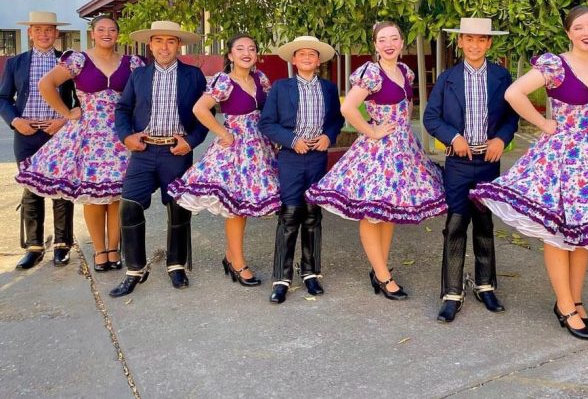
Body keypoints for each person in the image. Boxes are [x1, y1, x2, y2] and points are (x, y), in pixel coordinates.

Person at [470, 6, 588, 340]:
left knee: (584, 234)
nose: (586, 31)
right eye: (578, 27)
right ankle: (564, 305)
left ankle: (574, 299)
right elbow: (514, 93)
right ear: (569, 33)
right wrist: (544, 124)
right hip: (559, 158)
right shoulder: (555, 64)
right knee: (557, 234)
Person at [306, 22, 445, 300]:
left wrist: (403, 130)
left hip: (403, 149)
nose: (389, 43)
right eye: (383, 39)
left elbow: (407, 108)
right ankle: (383, 275)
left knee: (388, 209)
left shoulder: (405, 71)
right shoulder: (371, 73)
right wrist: (372, 130)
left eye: (394, 38)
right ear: (375, 45)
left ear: (402, 42)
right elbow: (348, 107)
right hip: (378, 151)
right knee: (372, 213)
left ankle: (378, 267)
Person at [15, 16, 144, 272]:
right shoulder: (78, 60)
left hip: (119, 133)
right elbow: (46, 84)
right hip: (89, 134)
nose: (107, 33)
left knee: (117, 195)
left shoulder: (132, 63)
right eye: (101, 29)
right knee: (94, 197)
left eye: (112, 29)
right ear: (93, 33)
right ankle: (99, 250)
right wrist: (66, 112)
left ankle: (114, 249)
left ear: (118, 34)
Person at [423, 18, 518, 323]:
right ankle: (451, 291)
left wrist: (502, 139)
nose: (475, 45)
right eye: (469, 39)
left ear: (489, 43)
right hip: (459, 163)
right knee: (455, 224)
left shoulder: (502, 77)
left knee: (484, 222)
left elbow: (511, 118)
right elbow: (431, 117)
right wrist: (453, 137)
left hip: (488, 162)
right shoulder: (447, 79)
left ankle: (485, 285)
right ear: (460, 42)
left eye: (481, 40)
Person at [169, 34, 281, 287]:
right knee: (236, 208)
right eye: (240, 48)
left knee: (245, 207)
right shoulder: (224, 81)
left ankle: (231, 256)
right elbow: (200, 109)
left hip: (260, 147)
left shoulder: (260, 78)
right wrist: (223, 133)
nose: (246, 53)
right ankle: (238, 262)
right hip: (236, 149)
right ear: (230, 55)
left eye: (251, 48)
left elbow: (271, 107)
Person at [110, 21, 208, 297]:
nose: (164, 47)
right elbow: (123, 108)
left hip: (176, 152)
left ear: (178, 45)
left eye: (170, 41)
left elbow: (204, 115)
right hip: (143, 151)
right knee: (129, 206)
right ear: (150, 45)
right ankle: (134, 269)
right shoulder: (139, 75)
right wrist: (126, 136)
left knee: (178, 209)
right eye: (159, 41)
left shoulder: (193, 75)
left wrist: (190, 141)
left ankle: (176, 265)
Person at [259, 35, 344, 304]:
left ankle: (310, 272)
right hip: (291, 157)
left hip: (317, 157)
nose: (307, 58)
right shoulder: (281, 88)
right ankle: (281, 278)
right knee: (289, 214)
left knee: (312, 213)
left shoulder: (329, 89)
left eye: (312, 55)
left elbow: (336, 120)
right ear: (294, 60)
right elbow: (267, 123)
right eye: (302, 54)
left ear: (318, 61)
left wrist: (329, 136)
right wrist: (291, 140)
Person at [0, 11, 77, 269]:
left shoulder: (68, 62)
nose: (44, 34)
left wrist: (64, 120)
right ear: (30, 33)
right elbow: (3, 98)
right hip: (27, 132)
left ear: (56, 33)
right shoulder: (16, 63)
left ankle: (62, 244)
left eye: (49, 29)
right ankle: (33, 246)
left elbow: (82, 100)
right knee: (31, 189)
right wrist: (15, 121)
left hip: (58, 132)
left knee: (60, 188)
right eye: (38, 29)